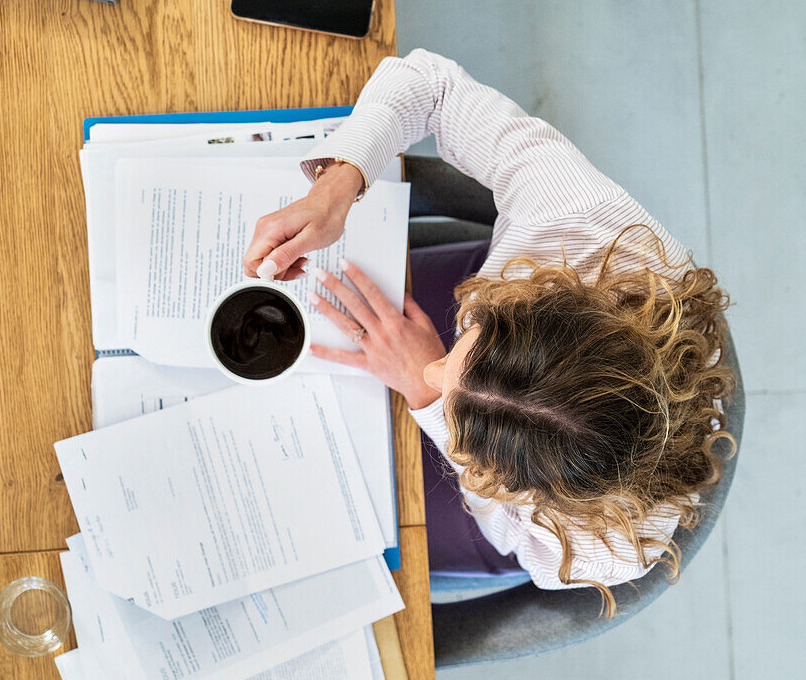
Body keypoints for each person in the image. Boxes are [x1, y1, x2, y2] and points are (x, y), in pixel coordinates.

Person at [242, 49, 737, 616]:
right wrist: (336, 186)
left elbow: (514, 538)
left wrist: (427, 401)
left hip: (481, 500)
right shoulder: (577, 220)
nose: (433, 363)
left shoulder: (610, 549)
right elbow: (430, 83)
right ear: (541, 298)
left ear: (522, 484)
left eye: (457, 403)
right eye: (466, 342)